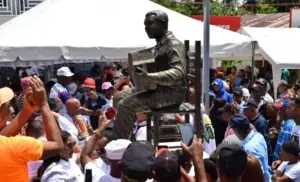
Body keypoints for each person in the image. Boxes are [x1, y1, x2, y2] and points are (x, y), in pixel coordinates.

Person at [104, 10, 187, 140]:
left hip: (171, 93)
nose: (146, 28)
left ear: (163, 23)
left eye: (150, 24)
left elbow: (178, 73)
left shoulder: (173, 44)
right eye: (145, 24)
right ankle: (123, 132)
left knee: (126, 104)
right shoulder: (159, 46)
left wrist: (149, 76)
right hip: (157, 88)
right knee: (118, 97)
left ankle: (120, 143)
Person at [0, 76, 64, 182]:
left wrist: (27, 109)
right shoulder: (15, 146)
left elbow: (4, 136)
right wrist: (43, 104)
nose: (12, 109)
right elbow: (57, 146)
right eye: (8, 106)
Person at [230, 114, 271, 182]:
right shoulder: (258, 136)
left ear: (236, 130)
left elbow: (257, 174)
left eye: (233, 130)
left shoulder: (249, 149)